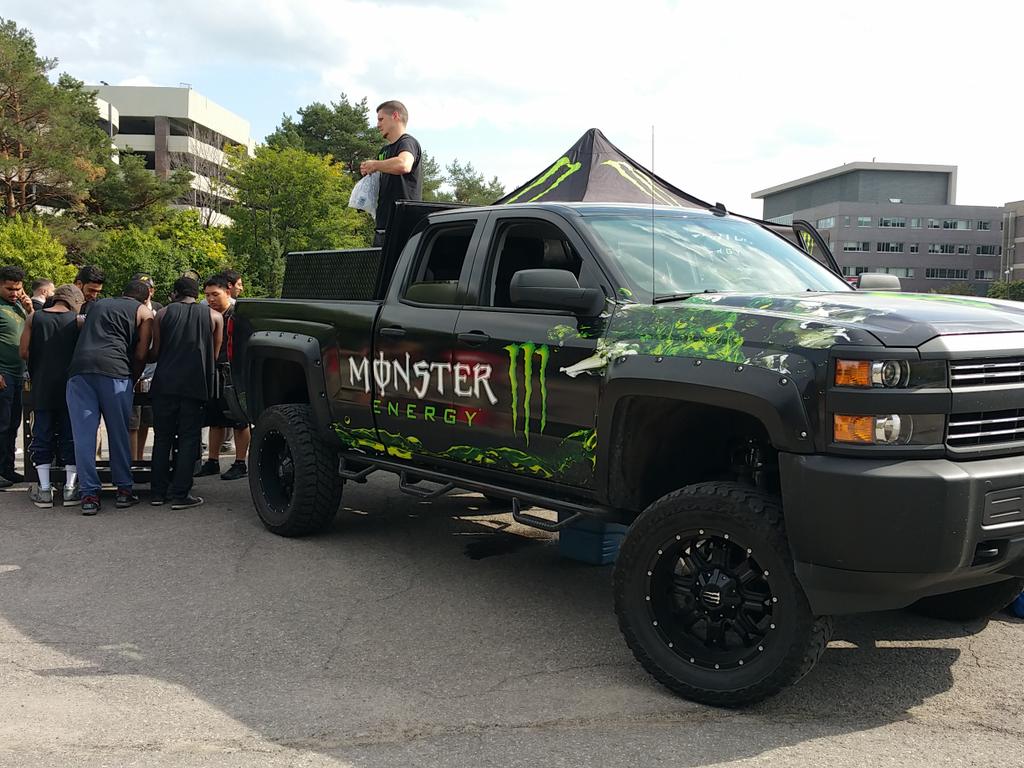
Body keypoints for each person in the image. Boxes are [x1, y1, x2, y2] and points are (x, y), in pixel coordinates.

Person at [66, 279, 153, 515]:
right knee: (118, 432)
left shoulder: (96, 304)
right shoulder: (144, 312)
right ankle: (124, 490)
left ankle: (89, 495)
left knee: (84, 437)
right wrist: (133, 378)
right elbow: (141, 352)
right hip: (115, 373)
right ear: (146, 297)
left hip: (79, 372)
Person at [149, 277, 222, 509]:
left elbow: (157, 350)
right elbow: (215, 353)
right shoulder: (214, 317)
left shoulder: (162, 315)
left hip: (165, 383)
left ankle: (158, 493)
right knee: (190, 438)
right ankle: (181, 493)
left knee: (162, 438)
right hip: (195, 384)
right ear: (197, 293)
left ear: (175, 293)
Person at [20, 284, 84, 507]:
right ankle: (69, 488)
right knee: (70, 435)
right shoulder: (78, 321)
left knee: (42, 434)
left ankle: (45, 489)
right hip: (70, 388)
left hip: (42, 386)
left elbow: (23, 351)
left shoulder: (34, 318)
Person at [195, 274, 249, 481]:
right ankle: (213, 461)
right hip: (214, 371)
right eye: (207, 295)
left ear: (228, 291)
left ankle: (240, 463)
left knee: (239, 420)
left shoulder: (239, 314)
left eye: (215, 295)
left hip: (235, 372)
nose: (210, 299)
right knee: (215, 419)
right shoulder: (205, 314)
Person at [359, 100, 422, 246]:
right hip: (382, 228)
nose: (377, 125)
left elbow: (403, 164)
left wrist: (375, 165)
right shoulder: (384, 151)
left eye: (381, 119)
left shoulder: (408, 142)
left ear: (395, 116)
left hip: (403, 228)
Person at [0, 265, 34, 488]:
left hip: (19, 374)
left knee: (12, 425)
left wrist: (30, 308)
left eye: (17, 289)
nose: (14, 293)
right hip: (3, 374)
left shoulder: (20, 307)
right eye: (9, 288)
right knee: (1, 425)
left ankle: (7, 469)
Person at [128, 273, 162, 460]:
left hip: (153, 372)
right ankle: (132, 461)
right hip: (133, 370)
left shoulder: (159, 309)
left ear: (152, 290)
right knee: (132, 422)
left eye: (148, 287)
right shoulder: (129, 309)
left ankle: (140, 457)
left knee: (146, 423)